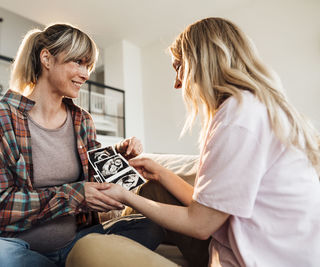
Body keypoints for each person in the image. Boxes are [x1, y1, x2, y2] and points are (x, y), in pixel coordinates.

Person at [100, 17, 320, 266]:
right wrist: (161, 172)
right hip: (264, 246)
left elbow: (201, 224)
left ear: (199, 62)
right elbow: (211, 208)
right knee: (154, 189)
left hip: (258, 258)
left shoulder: (238, 117)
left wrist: (123, 195)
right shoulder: (254, 107)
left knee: (87, 249)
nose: (177, 83)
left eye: (177, 66)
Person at [0, 23, 164, 267]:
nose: (86, 74)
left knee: (151, 226)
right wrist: (74, 196)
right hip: (17, 249)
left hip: (78, 244)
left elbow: (96, 183)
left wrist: (120, 158)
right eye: (78, 62)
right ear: (47, 59)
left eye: (88, 66)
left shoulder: (82, 120)